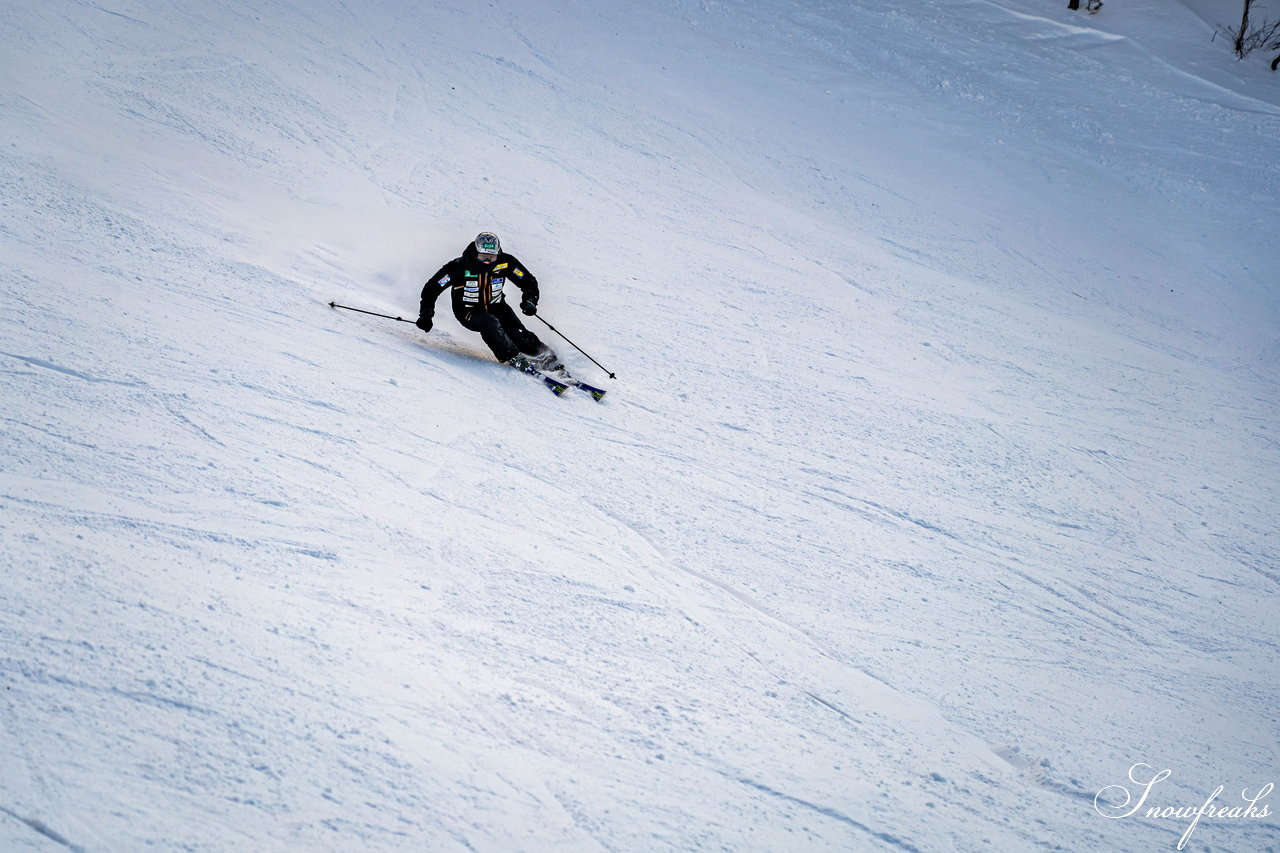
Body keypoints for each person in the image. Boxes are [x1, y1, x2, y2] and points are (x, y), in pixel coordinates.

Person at [416, 232, 562, 371]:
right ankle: (514, 357)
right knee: (490, 323)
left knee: (519, 334)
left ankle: (547, 359)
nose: (487, 262)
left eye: (491, 258)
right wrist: (426, 315)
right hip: (468, 311)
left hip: (497, 306)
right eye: (483, 257)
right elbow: (432, 288)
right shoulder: (459, 267)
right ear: (475, 253)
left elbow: (528, 281)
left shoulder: (506, 263)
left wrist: (530, 300)